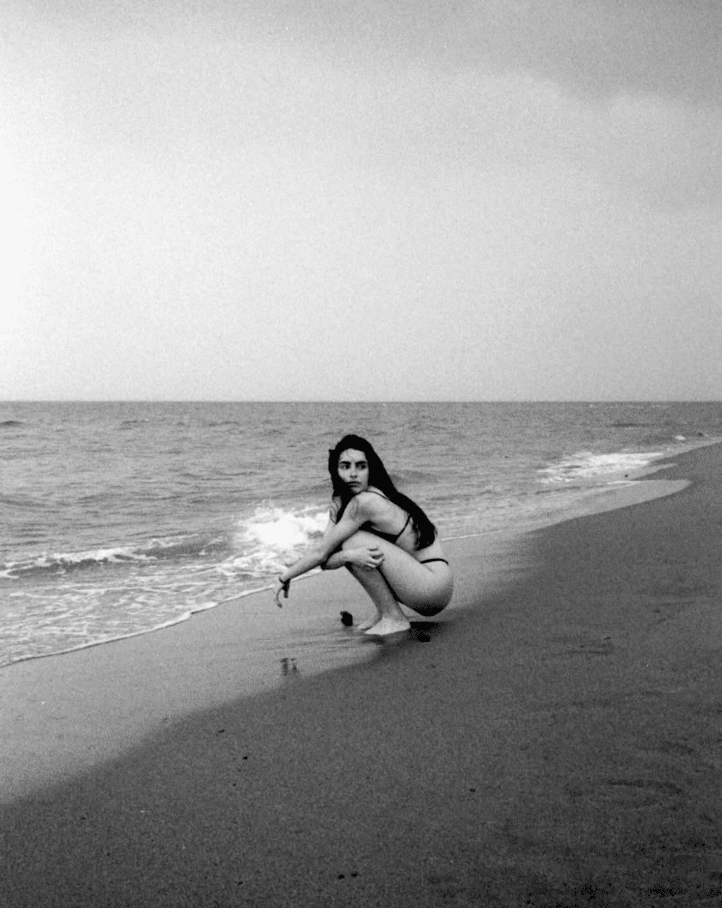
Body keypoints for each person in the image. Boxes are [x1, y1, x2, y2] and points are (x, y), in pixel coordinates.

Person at [272, 434, 453, 636]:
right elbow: (326, 559)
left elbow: (323, 553)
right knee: (349, 548)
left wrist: (285, 577)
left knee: (351, 542)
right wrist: (347, 556)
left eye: (361, 466)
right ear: (336, 470)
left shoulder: (364, 502)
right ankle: (384, 610)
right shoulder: (349, 502)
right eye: (345, 466)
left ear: (370, 470)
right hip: (433, 586)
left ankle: (392, 616)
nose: (353, 474)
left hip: (431, 587)